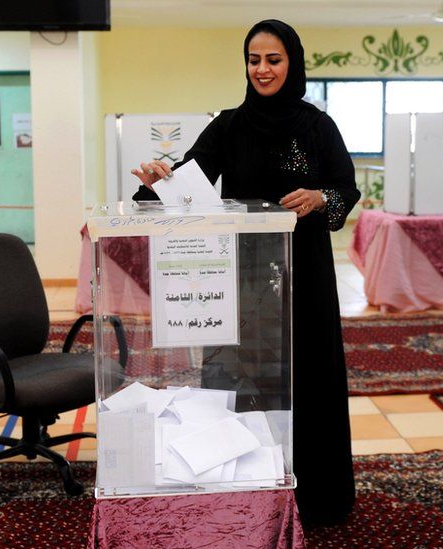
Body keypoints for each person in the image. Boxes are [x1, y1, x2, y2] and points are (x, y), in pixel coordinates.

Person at [130, 19, 360, 527]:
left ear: (292, 63)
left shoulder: (317, 126)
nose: (262, 69)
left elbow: (347, 188)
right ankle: (244, 489)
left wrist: (323, 197)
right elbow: (187, 182)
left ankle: (316, 496)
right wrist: (155, 184)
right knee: (243, 377)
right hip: (242, 278)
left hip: (306, 278)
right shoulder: (228, 126)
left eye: (272, 60)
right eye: (253, 60)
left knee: (308, 378)